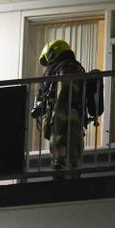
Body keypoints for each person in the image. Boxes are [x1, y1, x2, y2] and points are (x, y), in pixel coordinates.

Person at [31, 39, 87, 175]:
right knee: (72, 155)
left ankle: (63, 181)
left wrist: (54, 120)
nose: (48, 66)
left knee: (61, 155)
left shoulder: (66, 68)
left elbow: (63, 94)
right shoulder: (73, 67)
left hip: (61, 116)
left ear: (52, 54)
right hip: (73, 117)